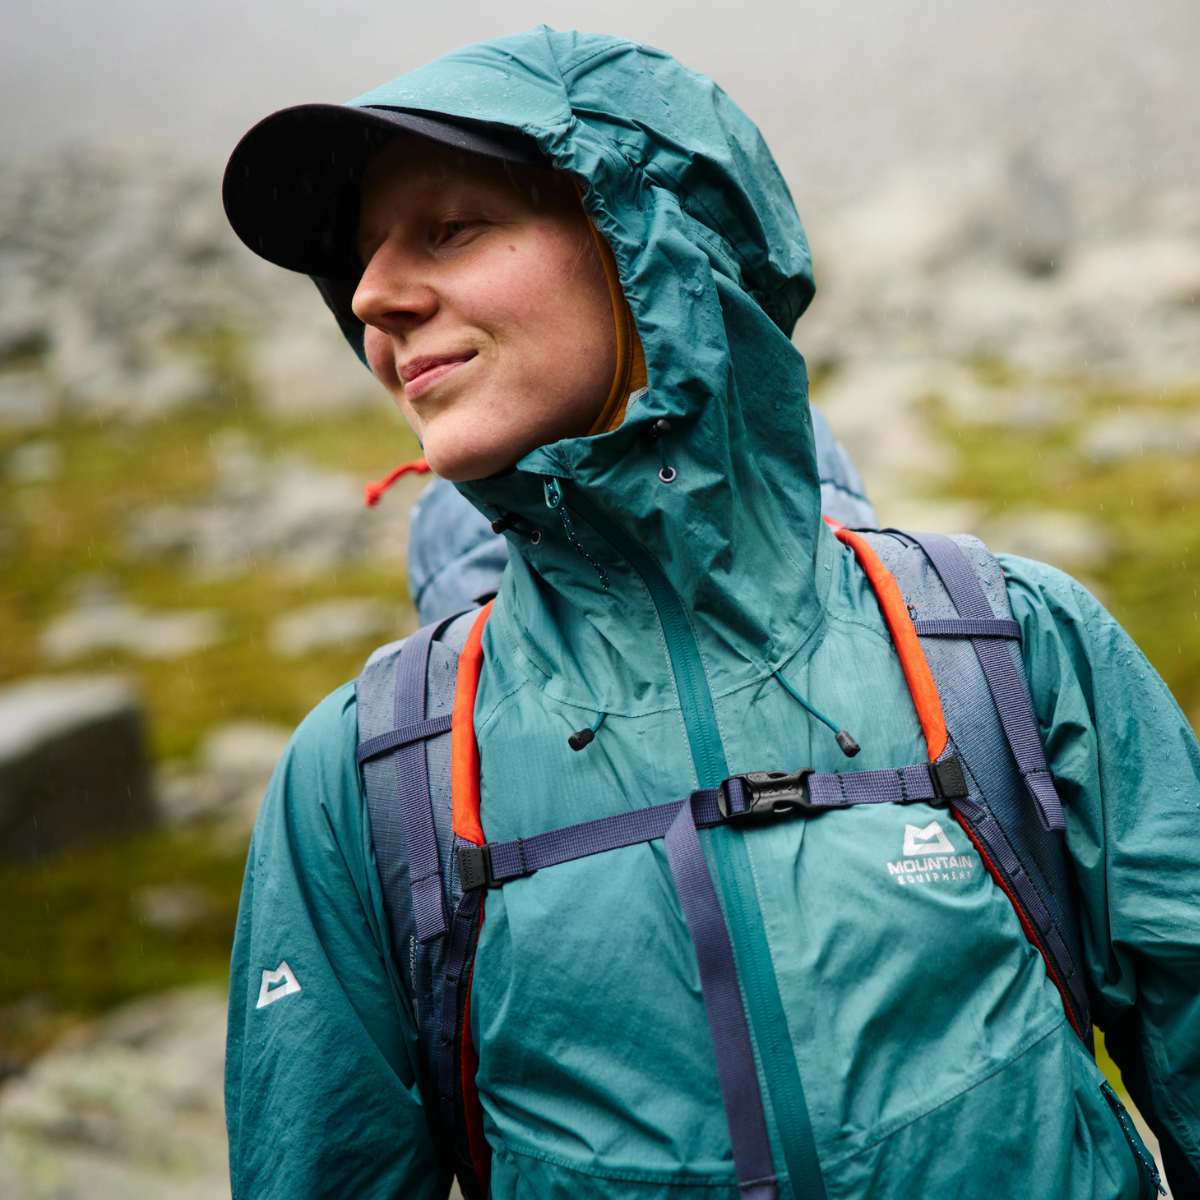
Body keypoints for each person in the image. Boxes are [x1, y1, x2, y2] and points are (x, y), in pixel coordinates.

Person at [221, 28, 1200, 1200]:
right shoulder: (366, 777)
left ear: (649, 244)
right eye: (363, 261)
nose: (374, 298)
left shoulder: (1013, 646)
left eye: (451, 227)